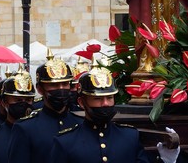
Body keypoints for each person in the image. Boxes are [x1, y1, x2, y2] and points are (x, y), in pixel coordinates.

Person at [49, 66, 180, 163]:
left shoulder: (129, 136)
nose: (105, 103)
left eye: (109, 97)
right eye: (98, 99)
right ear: (81, 102)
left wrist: (167, 161)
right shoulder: (65, 142)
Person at [7, 53, 83, 163]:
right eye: (54, 85)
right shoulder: (25, 128)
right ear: (40, 89)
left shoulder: (80, 122)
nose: (61, 89)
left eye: (65, 84)